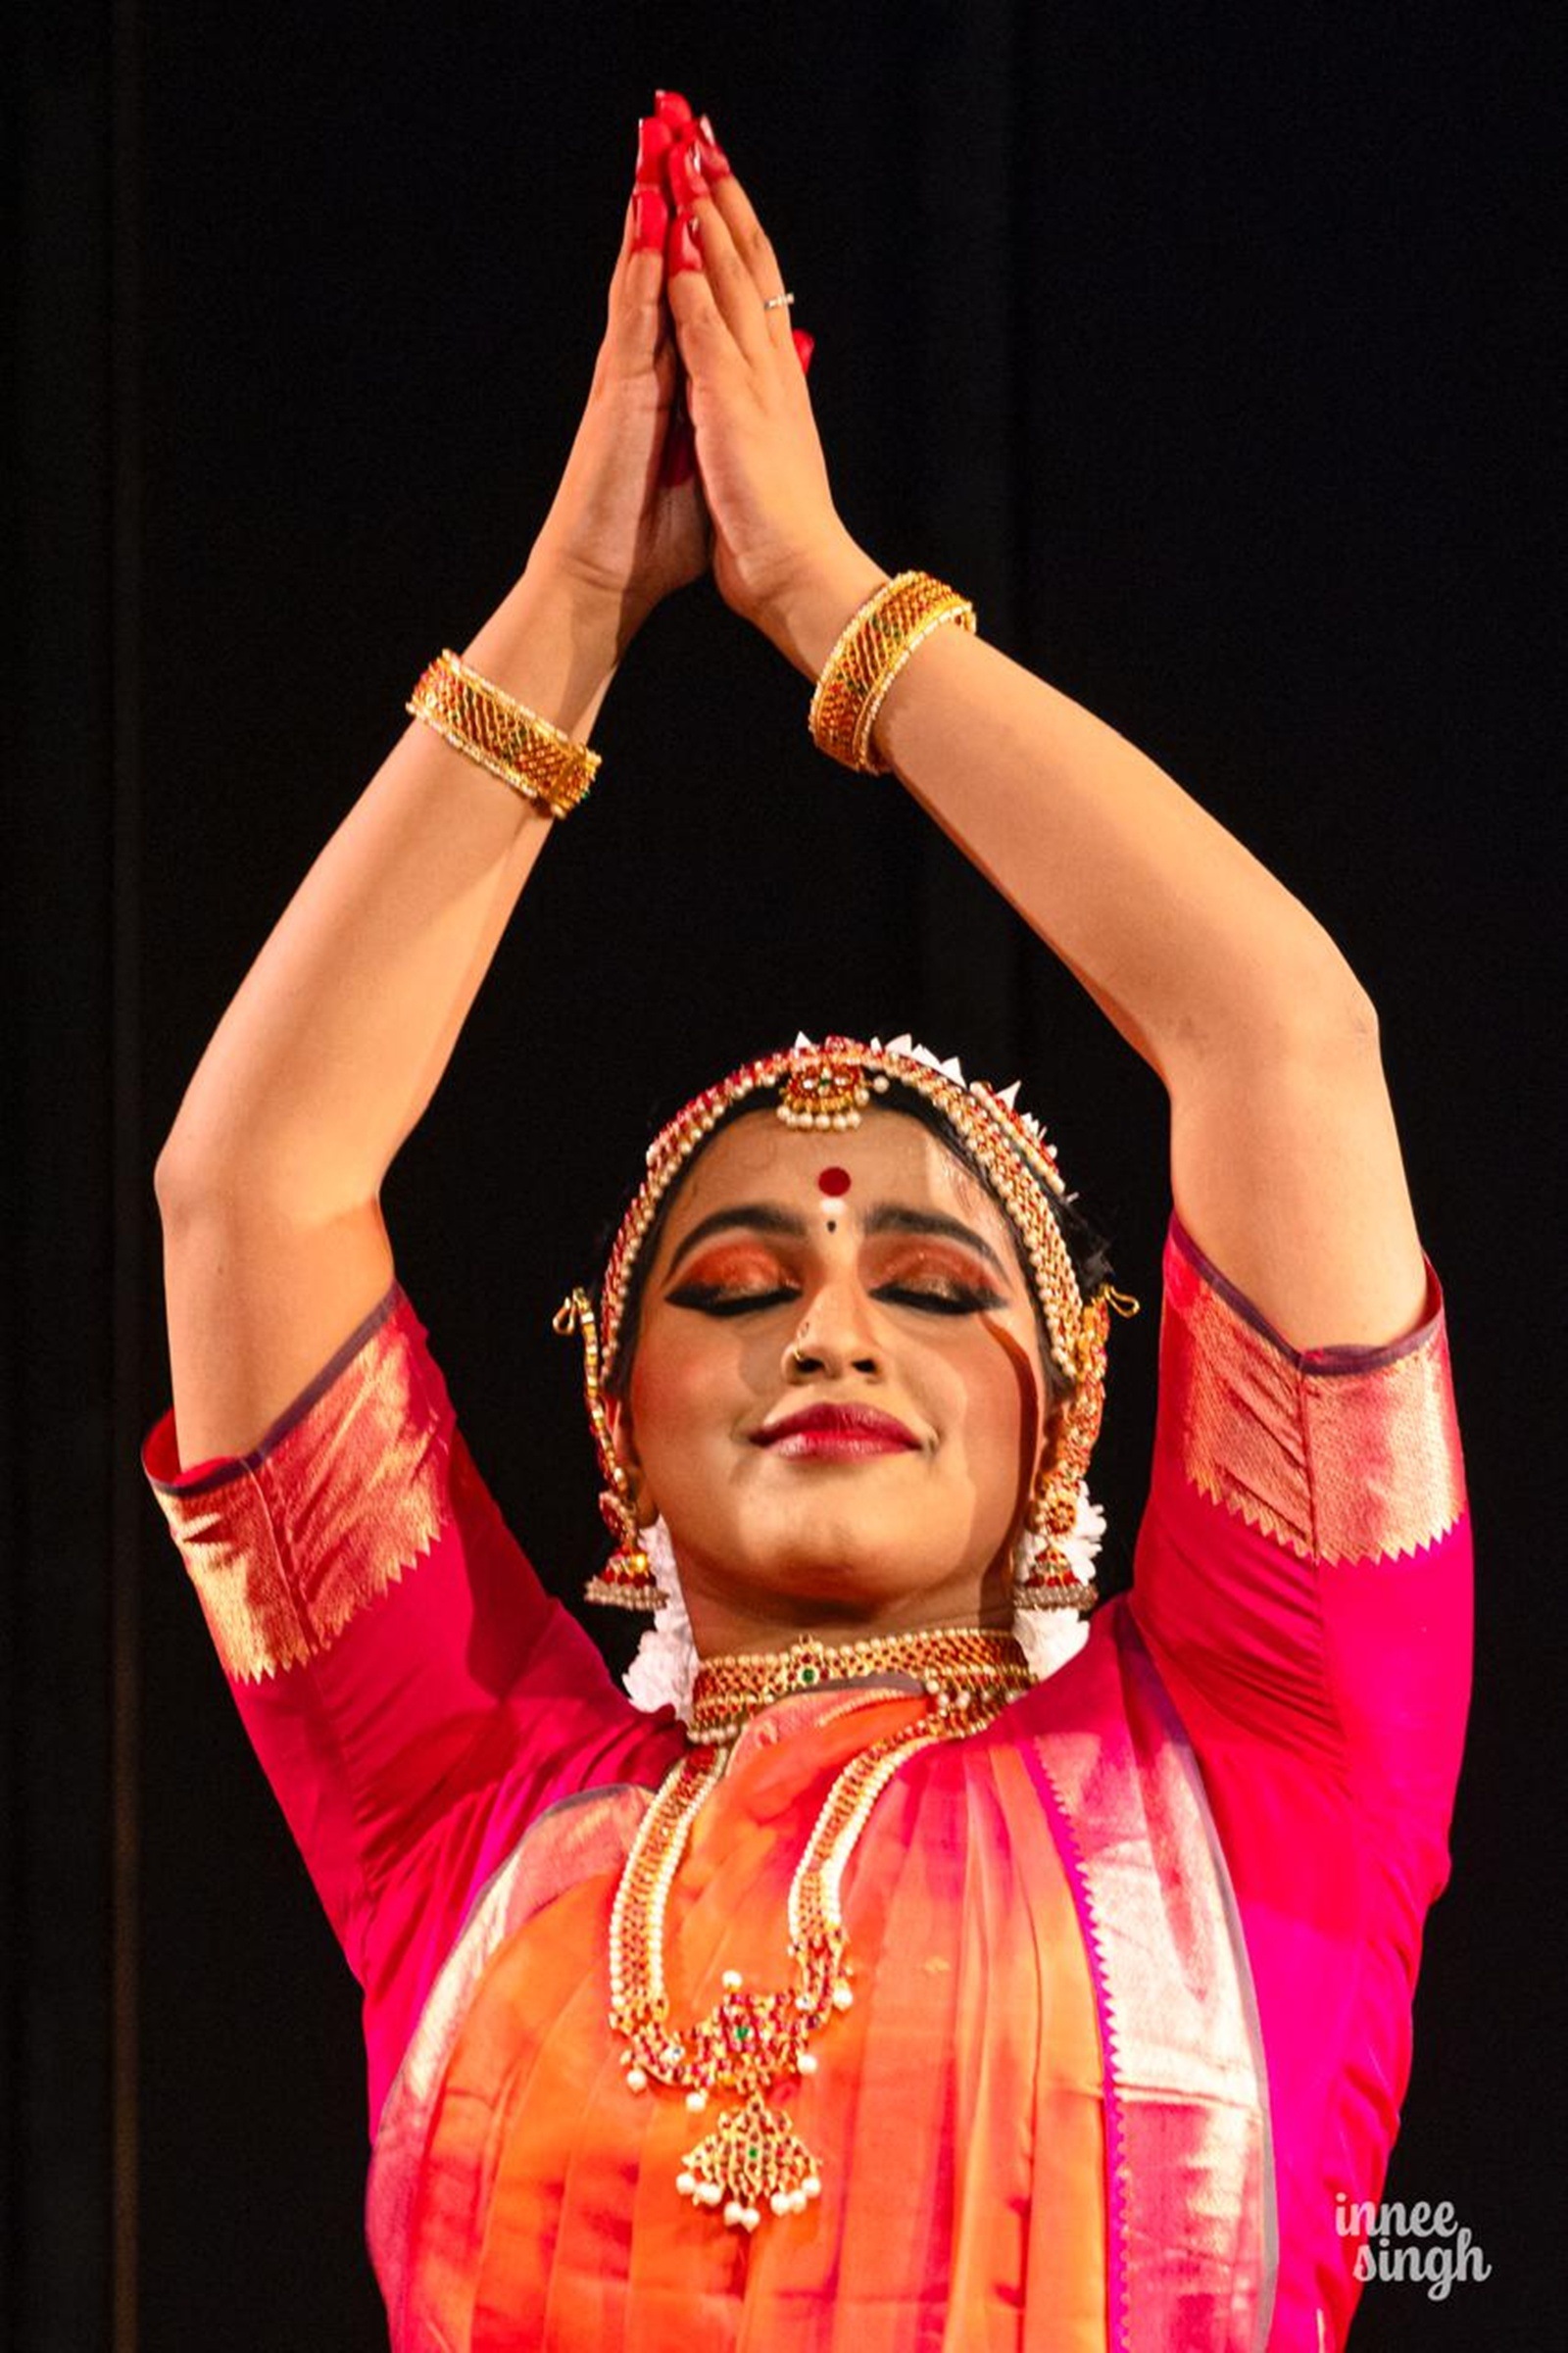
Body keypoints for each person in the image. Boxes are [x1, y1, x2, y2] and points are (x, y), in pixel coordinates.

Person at [142, 88, 1471, 2353]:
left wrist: (830, 607)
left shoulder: (1260, 1768)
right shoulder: (462, 1806)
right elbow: (246, 1185)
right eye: (736, 1284)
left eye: (934, 1285)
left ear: (1068, 1433)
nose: (826, 1326)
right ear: (622, 1432)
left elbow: (1280, 1041)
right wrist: (568, 605)